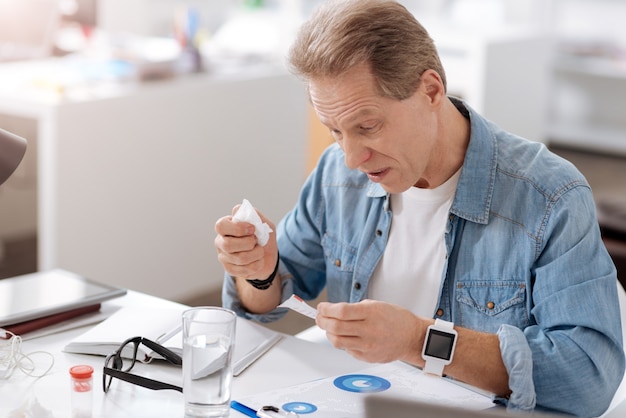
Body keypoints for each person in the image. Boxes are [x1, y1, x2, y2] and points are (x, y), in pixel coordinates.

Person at [214, 0, 624, 415]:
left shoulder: (550, 195)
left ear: (430, 90)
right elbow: (271, 297)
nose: (352, 157)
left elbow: (587, 376)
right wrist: (259, 272)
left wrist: (419, 341)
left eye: (367, 127)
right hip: (355, 398)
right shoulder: (336, 174)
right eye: (335, 131)